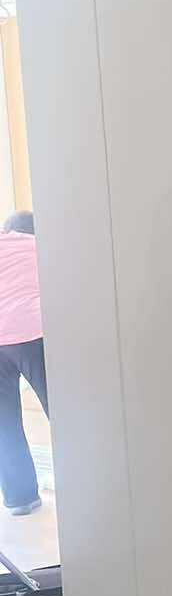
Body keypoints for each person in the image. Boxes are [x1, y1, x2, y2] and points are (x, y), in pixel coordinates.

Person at [0, 210, 48, 515]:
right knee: (65, 412)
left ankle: (20, 498)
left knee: (3, 421)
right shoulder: (42, 246)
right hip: (34, 332)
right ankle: (90, 486)